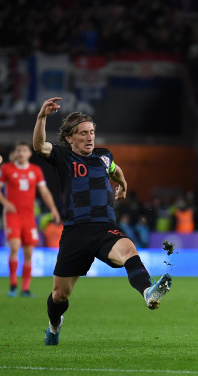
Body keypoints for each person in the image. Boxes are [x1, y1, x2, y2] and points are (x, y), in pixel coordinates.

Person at [33, 97, 172, 346]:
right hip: (76, 231)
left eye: (92, 132)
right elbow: (39, 146)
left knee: (129, 250)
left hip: (104, 227)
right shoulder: (63, 157)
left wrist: (124, 183)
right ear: (69, 138)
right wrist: (42, 117)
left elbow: (115, 170)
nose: (90, 137)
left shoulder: (104, 157)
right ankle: (54, 325)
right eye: (83, 133)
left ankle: (148, 291)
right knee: (59, 295)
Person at [0, 141, 61, 298]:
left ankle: (25, 288)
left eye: (24, 150)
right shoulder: (7, 169)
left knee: (29, 252)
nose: (21, 153)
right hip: (13, 215)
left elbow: (44, 192)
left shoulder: (35, 171)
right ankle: (13, 284)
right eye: (18, 150)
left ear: (29, 154)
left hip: (29, 216)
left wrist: (53, 208)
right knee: (15, 247)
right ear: (15, 153)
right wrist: (6, 203)